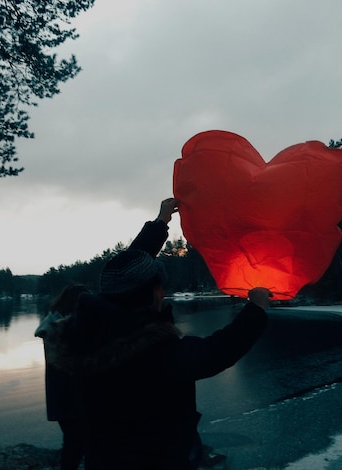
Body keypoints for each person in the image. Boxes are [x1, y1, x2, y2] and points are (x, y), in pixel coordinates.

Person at [50, 198, 271, 470]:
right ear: (153, 294)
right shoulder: (155, 352)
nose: (163, 293)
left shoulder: (85, 331)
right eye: (160, 288)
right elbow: (217, 351)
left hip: (104, 460)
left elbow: (124, 273)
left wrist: (161, 222)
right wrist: (256, 309)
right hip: (160, 460)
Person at [35, 283, 90, 470]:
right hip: (70, 396)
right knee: (77, 443)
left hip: (59, 395)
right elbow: (74, 363)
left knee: (74, 442)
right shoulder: (63, 329)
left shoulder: (54, 323)